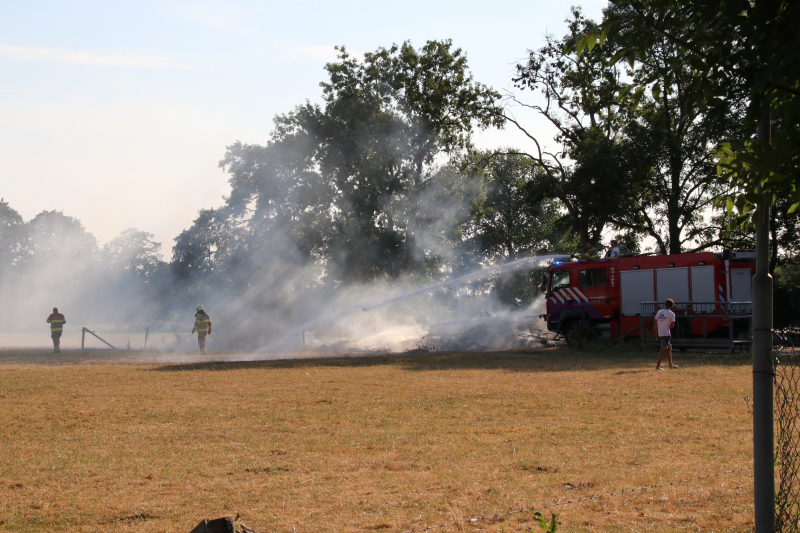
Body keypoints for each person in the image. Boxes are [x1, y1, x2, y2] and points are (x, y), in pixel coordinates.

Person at [653, 299, 678, 370]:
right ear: (672, 306)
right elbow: (672, 326)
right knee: (663, 349)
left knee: (669, 348)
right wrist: (670, 324)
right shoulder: (672, 314)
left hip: (660, 332)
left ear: (665, 304)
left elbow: (655, 323)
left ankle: (670, 365)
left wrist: (655, 333)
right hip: (666, 333)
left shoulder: (659, 312)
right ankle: (657, 366)